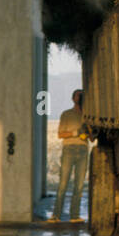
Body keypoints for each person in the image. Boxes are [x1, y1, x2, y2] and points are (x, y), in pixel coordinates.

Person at [51, 89, 90, 222]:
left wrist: (88, 133)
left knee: (79, 186)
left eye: (82, 96)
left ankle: (75, 216)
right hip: (69, 149)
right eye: (78, 96)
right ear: (73, 99)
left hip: (83, 149)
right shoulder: (66, 114)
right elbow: (60, 134)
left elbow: (91, 138)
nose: (80, 99)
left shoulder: (88, 116)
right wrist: (76, 133)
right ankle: (56, 215)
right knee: (63, 184)